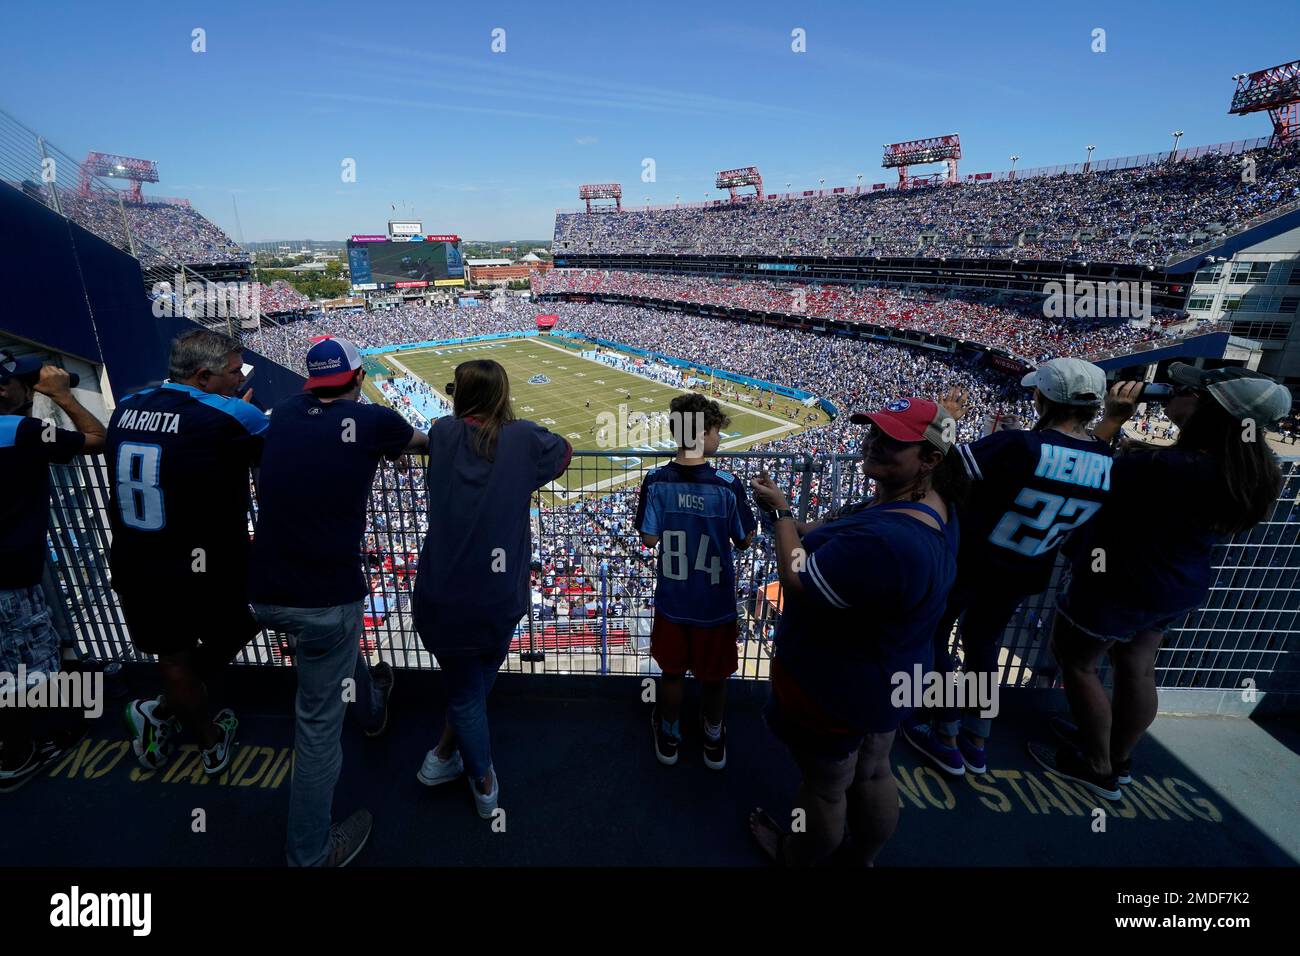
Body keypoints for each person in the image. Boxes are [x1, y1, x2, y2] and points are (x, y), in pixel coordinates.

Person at [1031, 364, 1289, 800]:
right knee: (1137, 668)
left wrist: (1113, 419)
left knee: (1077, 661)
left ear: (1209, 408)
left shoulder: (1164, 468)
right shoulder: (1251, 468)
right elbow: (1188, 470)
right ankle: (1119, 757)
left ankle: (1095, 766)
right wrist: (1145, 450)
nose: (1172, 393)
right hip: (1176, 584)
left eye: (1184, 390)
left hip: (1120, 583)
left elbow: (1091, 469)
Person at [748, 397, 964, 866]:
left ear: (930, 459)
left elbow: (797, 575)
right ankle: (862, 858)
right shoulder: (935, 507)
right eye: (875, 433)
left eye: (893, 442)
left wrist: (781, 513)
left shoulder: (886, 541)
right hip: (897, 671)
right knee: (873, 771)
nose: (874, 444)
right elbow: (839, 553)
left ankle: (797, 855)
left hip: (839, 682)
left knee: (825, 789)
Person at [901, 359, 1131, 776]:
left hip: (970, 561)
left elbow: (942, 472)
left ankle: (944, 731)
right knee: (983, 644)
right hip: (1027, 568)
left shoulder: (1017, 445)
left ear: (1042, 397)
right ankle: (976, 737)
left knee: (934, 635)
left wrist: (944, 422)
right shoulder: (1104, 457)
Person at [248, 337, 429, 867]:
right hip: (324, 594)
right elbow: (421, 442)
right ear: (357, 377)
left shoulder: (281, 411)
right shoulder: (374, 421)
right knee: (318, 729)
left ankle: (372, 708)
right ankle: (310, 853)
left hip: (262, 589)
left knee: (337, 649)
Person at [412, 359, 571, 818]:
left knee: (469, 686)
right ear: (502, 394)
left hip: (441, 591)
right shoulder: (521, 439)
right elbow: (565, 451)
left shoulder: (441, 432)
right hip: (500, 595)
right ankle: (483, 785)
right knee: (469, 691)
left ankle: (443, 755)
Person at [108, 330, 267, 775]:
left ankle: (163, 709)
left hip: (137, 558)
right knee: (227, 635)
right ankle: (210, 744)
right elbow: (280, 448)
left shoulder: (128, 406)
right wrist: (245, 412)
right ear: (203, 376)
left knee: (176, 656)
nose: (240, 379)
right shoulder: (231, 414)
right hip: (199, 560)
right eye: (234, 372)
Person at [635, 393, 756, 769]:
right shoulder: (727, 484)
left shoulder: (656, 481)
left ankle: (670, 735)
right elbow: (745, 538)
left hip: (674, 599)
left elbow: (650, 538)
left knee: (672, 675)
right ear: (703, 433)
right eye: (717, 431)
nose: (719, 439)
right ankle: (713, 738)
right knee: (715, 677)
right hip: (715, 602)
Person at [0, 363, 105, 791]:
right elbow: (98, 438)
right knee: (24, 669)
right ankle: (17, 756)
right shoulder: (17, 432)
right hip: (10, 578)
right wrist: (62, 396)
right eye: (16, 382)